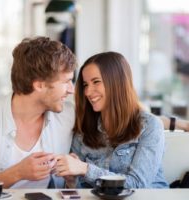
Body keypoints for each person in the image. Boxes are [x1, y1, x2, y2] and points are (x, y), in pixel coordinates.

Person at [54, 52, 169, 188]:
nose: (88, 92)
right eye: (85, 85)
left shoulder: (149, 126)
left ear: (117, 82)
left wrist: (85, 169)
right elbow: (81, 190)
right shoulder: (84, 128)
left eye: (96, 82)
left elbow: (138, 185)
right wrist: (72, 180)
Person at [0, 37, 77, 188]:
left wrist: (73, 176)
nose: (71, 90)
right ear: (40, 85)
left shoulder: (68, 116)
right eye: (65, 82)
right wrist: (17, 173)